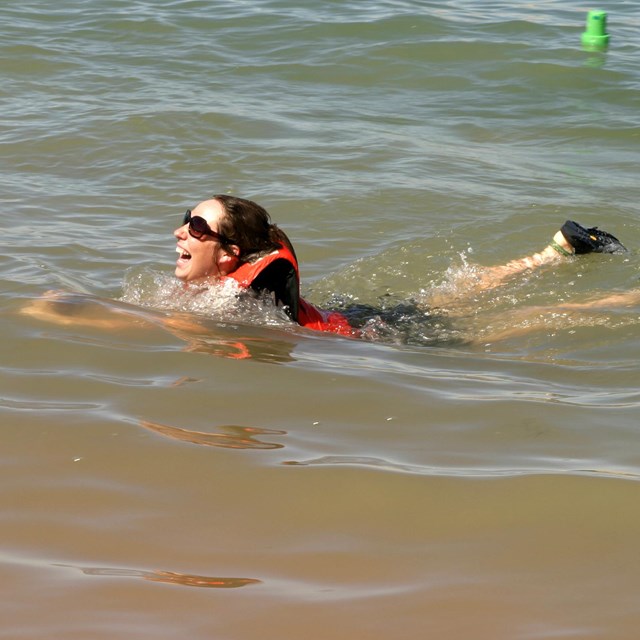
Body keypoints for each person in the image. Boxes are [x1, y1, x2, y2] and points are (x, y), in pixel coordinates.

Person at [174, 194, 629, 337]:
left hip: (376, 339)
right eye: (185, 220)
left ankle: (627, 297)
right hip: (352, 320)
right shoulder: (229, 289)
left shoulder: (238, 299)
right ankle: (553, 254)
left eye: (196, 226)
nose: (180, 233)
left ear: (230, 253)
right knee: (451, 296)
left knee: (512, 322)